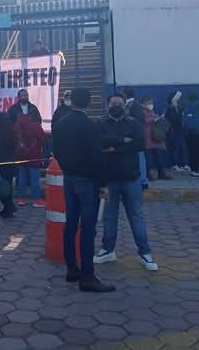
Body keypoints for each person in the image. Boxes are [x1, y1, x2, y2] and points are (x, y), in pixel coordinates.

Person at [52, 88, 114, 292]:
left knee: (70, 224)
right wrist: (103, 183)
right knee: (88, 228)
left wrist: (66, 167)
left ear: (72, 101)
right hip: (87, 180)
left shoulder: (60, 123)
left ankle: (72, 268)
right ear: (88, 102)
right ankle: (87, 276)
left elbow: (56, 151)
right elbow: (96, 156)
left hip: (69, 178)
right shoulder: (90, 125)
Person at [94, 95, 158, 272]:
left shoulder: (134, 124)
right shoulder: (100, 123)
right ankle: (108, 250)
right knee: (109, 217)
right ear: (108, 105)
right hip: (109, 179)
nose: (116, 106)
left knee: (135, 216)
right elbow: (99, 142)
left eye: (120, 104)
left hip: (131, 178)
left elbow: (139, 145)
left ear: (125, 106)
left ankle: (145, 253)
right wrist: (123, 140)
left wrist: (113, 147)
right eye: (113, 103)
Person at [14, 113, 47, 207]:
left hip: (21, 156)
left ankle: (21, 199)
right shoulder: (35, 125)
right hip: (34, 156)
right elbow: (43, 140)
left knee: (22, 178)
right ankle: (37, 200)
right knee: (34, 179)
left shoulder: (17, 124)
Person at [0, 112, 17, 218]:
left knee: (0, 187)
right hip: (11, 162)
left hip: (1, 163)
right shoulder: (11, 130)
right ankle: (8, 208)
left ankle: (9, 207)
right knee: (7, 187)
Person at [124, 88, 148, 189]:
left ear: (124, 94)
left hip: (135, 138)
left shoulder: (132, 105)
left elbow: (139, 120)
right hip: (135, 137)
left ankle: (143, 181)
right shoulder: (133, 104)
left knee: (140, 159)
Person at [142, 97, 172, 180]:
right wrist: (153, 119)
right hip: (148, 138)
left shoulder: (152, 111)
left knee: (159, 157)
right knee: (149, 159)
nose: (151, 105)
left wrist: (158, 118)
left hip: (156, 138)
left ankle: (161, 173)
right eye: (149, 103)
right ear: (144, 103)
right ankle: (149, 174)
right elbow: (143, 120)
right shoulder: (141, 111)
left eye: (152, 103)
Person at [182, 92, 199, 178]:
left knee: (191, 151)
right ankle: (196, 170)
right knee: (197, 152)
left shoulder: (186, 106)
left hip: (188, 133)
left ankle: (193, 170)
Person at [165, 91, 188, 172]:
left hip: (180, 131)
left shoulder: (179, 107)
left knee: (182, 148)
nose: (179, 100)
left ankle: (183, 164)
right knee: (175, 148)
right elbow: (174, 119)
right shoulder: (169, 108)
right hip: (173, 131)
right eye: (178, 98)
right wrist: (180, 115)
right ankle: (175, 165)